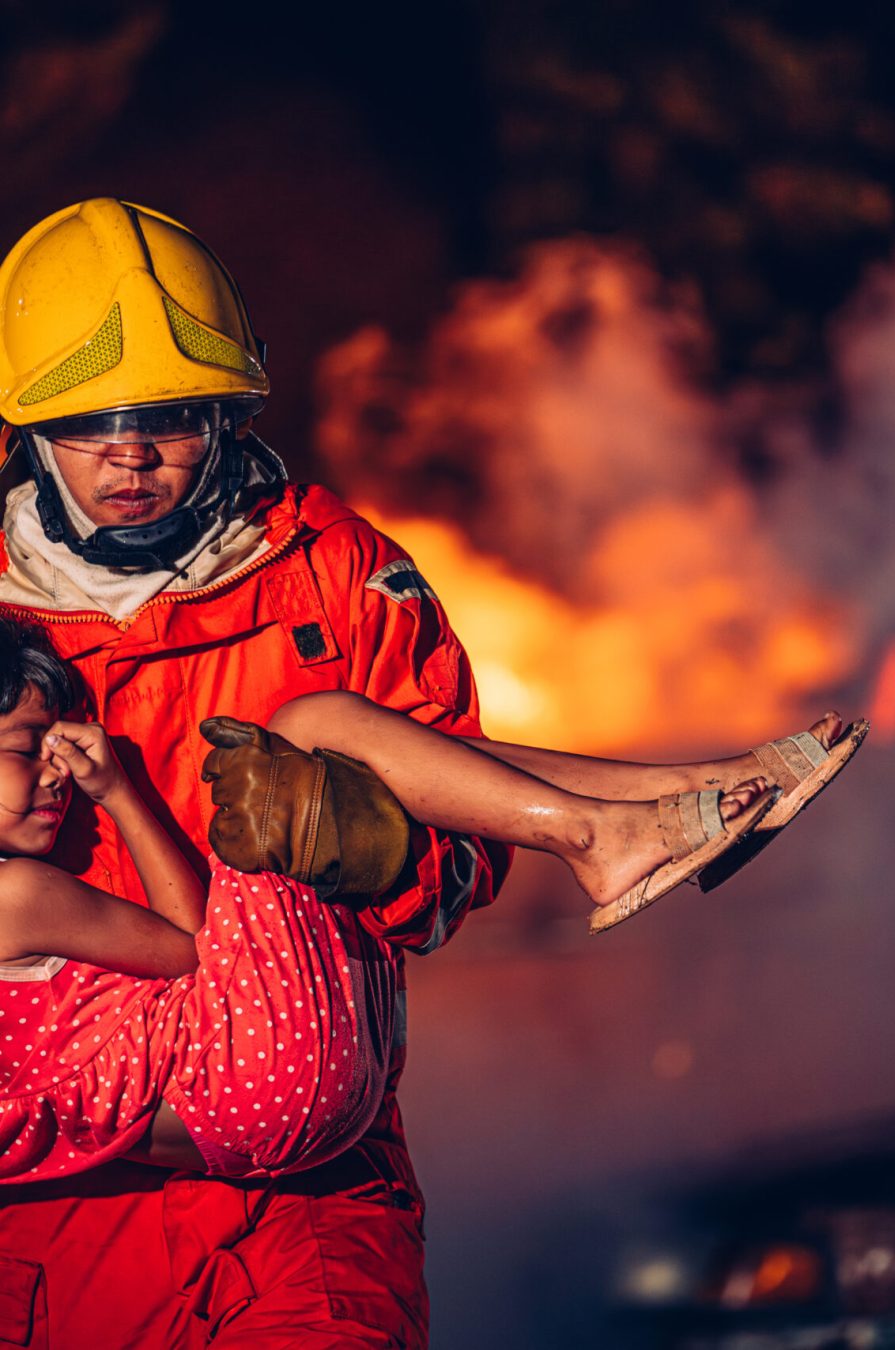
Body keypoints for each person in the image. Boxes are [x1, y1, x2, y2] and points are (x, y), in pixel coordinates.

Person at [0, 196, 513, 1349]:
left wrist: (380, 848)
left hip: (304, 1203)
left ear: (234, 404)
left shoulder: (337, 579)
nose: (133, 453)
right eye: (92, 420)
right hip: (40, 1207)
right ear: (24, 424)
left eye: (174, 414)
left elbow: (471, 860)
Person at [0, 617, 776, 1183]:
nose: (58, 770)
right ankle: (625, 819)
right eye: (26, 748)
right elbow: (186, 947)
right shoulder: (15, 897)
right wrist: (123, 795)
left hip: (261, 1113)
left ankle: (654, 805)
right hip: (248, 1070)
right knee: (311, 731)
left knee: (350, 769)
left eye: (59, 745)